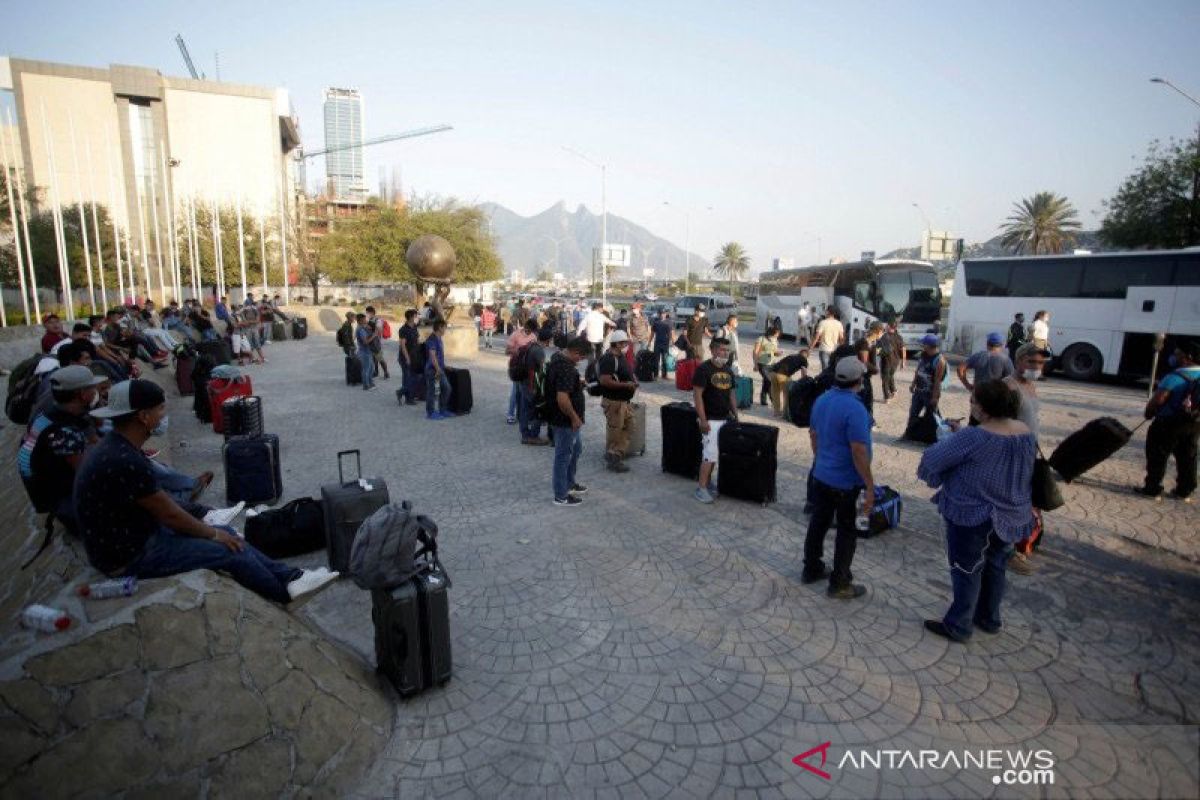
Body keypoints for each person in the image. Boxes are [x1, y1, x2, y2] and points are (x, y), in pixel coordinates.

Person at [76, 380, 338, 605]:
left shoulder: (117, 447)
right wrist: (212, 533)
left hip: (134, 537)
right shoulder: (125, 460)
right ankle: (284, 595)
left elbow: (161, 506)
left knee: (228, 534)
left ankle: (293, 577)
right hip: (131, 555)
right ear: (143, 416)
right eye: (160, 409)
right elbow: (170, 515)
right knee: (228, 548)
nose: (162, 415)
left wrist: (212, 527)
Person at [917, 380, 1036, 642]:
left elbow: (934, 459)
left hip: (973, 513)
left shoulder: (975, 436)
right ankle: (989, 618)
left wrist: (952, 436)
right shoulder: (1024, 431)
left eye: (973, 402)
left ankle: (959, 624)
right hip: (1012, 513)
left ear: (983, 408)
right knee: (996, 566)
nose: (971, 406)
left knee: (966, 568)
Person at [802, 357, 875, 600]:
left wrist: (821, 460)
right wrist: (870, 485)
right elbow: (858, 450)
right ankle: (840, 582)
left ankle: (811, 567)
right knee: (847, 530)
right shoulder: (856, 409)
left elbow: (813, 435)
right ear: (859, 380)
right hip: (846, 482)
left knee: (819, 522)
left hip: (822, 475)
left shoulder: (822, 400)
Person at [17, 365, 107, 532]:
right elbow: (87, 474)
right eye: (92, 387)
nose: (96, 390)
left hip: (50, 489)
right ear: (82, 394)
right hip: (62, 499)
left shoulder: (54, 410)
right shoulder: (64, 432)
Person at [1003, 343, 1049, 574]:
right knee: (1012, 500)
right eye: (1032, 362)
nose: (1036, 367)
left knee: (1028, 500)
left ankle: (1025, 541)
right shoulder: (1008, 387)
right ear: (1019, 360)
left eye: (1040, 363)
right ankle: (1009, 548)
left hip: (1030, 451)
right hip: (1012, 453)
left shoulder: (1030, 386)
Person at [1136, 340, 1200, 503]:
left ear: (1187, 358)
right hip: (1194, 423)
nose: (1174, 357)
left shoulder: (1174, 377)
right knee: (1188, 455)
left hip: (1168, 423)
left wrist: (1149, 413)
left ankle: (1153, 488)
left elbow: (1159, 399)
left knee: (1158, 453)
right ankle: (1185, 490)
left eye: (1177, 354)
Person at [693, 338, 738, 504]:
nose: (725, 353)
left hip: (724, 419)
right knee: (709, 455)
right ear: (712, 350)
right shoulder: (703, 369)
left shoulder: (729, 370)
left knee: (716, 455)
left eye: (727, 350)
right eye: (721, 350)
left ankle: (708, 482)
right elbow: (697, 395)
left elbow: (732, 394)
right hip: (710, 419)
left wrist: (736, 415)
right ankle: (701, 488)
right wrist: (703, 420)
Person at [547, 337, 591, 506]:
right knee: (563, 455)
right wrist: (574, 417)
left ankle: (569, 482)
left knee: (576, 448)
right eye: (581, 357)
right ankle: (561, 495)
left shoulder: (558, 358)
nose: (580, 361)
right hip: (565, 419)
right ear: (575, 352)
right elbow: (562, 398)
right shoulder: (565, 367)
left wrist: (577, 384)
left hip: (564, 418)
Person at [597, 330, 639, 473]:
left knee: (630, 426)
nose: (626, 345)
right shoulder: (609, 359)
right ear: (617, 343)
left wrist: (632, 381)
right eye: (624, 343)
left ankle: (616, 453)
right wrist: (626, 385)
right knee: (615, 431)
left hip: (623, 402)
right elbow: (605, 381)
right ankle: (613, 458)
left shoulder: (620, 356)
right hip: (614, 402)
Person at [518, 327, 552, 446]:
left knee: (525, 410)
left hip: (524, 381)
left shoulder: (530, 345)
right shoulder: (539, 351)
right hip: (533, 384)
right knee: (538, 409)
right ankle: (533, 436)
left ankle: (525, 435)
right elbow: (543, 369)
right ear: (548, 340)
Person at [908, 334, 948, 431]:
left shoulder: (939, 361)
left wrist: (935, 397)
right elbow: (918, 370)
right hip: (918, 391)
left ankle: (938, 434)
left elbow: (938, 381)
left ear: (929, 345)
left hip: (929, 393)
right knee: (913, 413)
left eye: (924, 344)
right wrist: (913, 383)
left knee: (933, 415)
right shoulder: (923, 355)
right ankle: (910, 433)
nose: (922, 345)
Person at [506, 319, 538, 424]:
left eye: (531, 331)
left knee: (525, 392)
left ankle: (522, 415)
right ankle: (510, 414)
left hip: (528, 368)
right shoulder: (515, 334)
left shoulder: (533, 337)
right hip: (517, 367)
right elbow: (507, 351)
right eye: (528, 330)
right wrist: (518, 351)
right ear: (525, 326)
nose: (529, 332)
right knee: (515, 392)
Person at [853, 323, 884, 426]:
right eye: (882, 332)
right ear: (878, 332)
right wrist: (875, 369)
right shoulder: (864, 343)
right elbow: (864, 361)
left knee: (867, 399)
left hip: (864, 375)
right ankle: (866, 421)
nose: (882, 334)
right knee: (865, 399)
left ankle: (868, 420)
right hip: (860, 376)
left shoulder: (871, 343)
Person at [424, 319, 453, 419]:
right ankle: (430, 412)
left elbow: (439, 356)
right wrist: (437, 369)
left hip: (439, 368)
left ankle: (442, 410)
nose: (445, 330)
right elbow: (432, 355)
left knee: (447, 388)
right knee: (431, 391)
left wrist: (444, 366)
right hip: (432, 370)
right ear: (440, 327)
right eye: (444, 327)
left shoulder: (439, 338)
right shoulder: (432, 339)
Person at [768, 351, 808, 417]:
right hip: (783, 376)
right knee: (787, 395)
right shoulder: (804, 359)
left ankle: (776, 412)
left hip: (773, 373)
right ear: (807, 356)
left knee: (775, 393)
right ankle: (785, 414)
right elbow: (803, 370)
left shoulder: (791, 355)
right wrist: (803, 380)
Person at [396, 309, 422, 405]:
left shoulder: (414, 327)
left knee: (415, 377)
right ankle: (408, 398)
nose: (417, 318)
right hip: (405, 358)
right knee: (408, 378)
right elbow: (403, 345)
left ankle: (403, 393)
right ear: (411, 317)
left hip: (414, 356)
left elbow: (417, 340)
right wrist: (407, 358)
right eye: (416, 316)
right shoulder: (403, 330)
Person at [877, 321, 905, 404]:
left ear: (889, 326)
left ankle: (887, 397)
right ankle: (893, 390)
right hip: (895, 361)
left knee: (885, 379)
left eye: (887, 325)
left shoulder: (883, 337)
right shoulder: (899, 337)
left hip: (886, 361)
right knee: (890, 376)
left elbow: (878, 350)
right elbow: (903, 349)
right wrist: (903, 361)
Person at [753, 326, 781, 406]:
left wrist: (778, 353)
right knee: (769, 381)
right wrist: (755, 364)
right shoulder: (761, 339)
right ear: (772, 333)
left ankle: (763, 400)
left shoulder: (775, 340)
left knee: (766, 382)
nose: (778, 335)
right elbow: (755, 352)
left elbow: (774, 352)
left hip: (772, 364)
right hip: (762, 364)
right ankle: (774, 400)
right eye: (777, 333)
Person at [365, 306, 390, 380]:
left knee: (380, 358)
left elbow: (378, 331)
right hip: (370, 342)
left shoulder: (378, 320)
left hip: (376, 342)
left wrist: (370, 336)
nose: (367, 314)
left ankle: (386, 372)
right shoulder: (369, 320)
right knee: (373, 359)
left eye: (367, 312)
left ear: (372, 312)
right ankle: (376, 372)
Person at [354, 313, 376, 391]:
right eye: (364, 319)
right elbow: (365, 342)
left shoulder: (362, 328)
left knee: (371, 368)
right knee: (366, 369)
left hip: (367, 351)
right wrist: (374, 335)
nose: (365, 320)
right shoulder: (360, 329)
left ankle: (370, 383)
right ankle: (366, 385)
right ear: (360, 320)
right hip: (364, 352)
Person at [651, 310, 674, 378]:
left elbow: (671, 333)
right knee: (656, 360)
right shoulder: (655, 322)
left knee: (665, 360)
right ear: (658, 314)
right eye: (660, 313)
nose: (661, 315)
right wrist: (649, 342)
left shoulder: (669, 322)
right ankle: (655, 375)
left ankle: (664, 375)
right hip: (657, 343)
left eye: (663, 313)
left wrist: (672, 342)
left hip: (665, 344)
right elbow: (652, 333)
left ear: (666, 314)